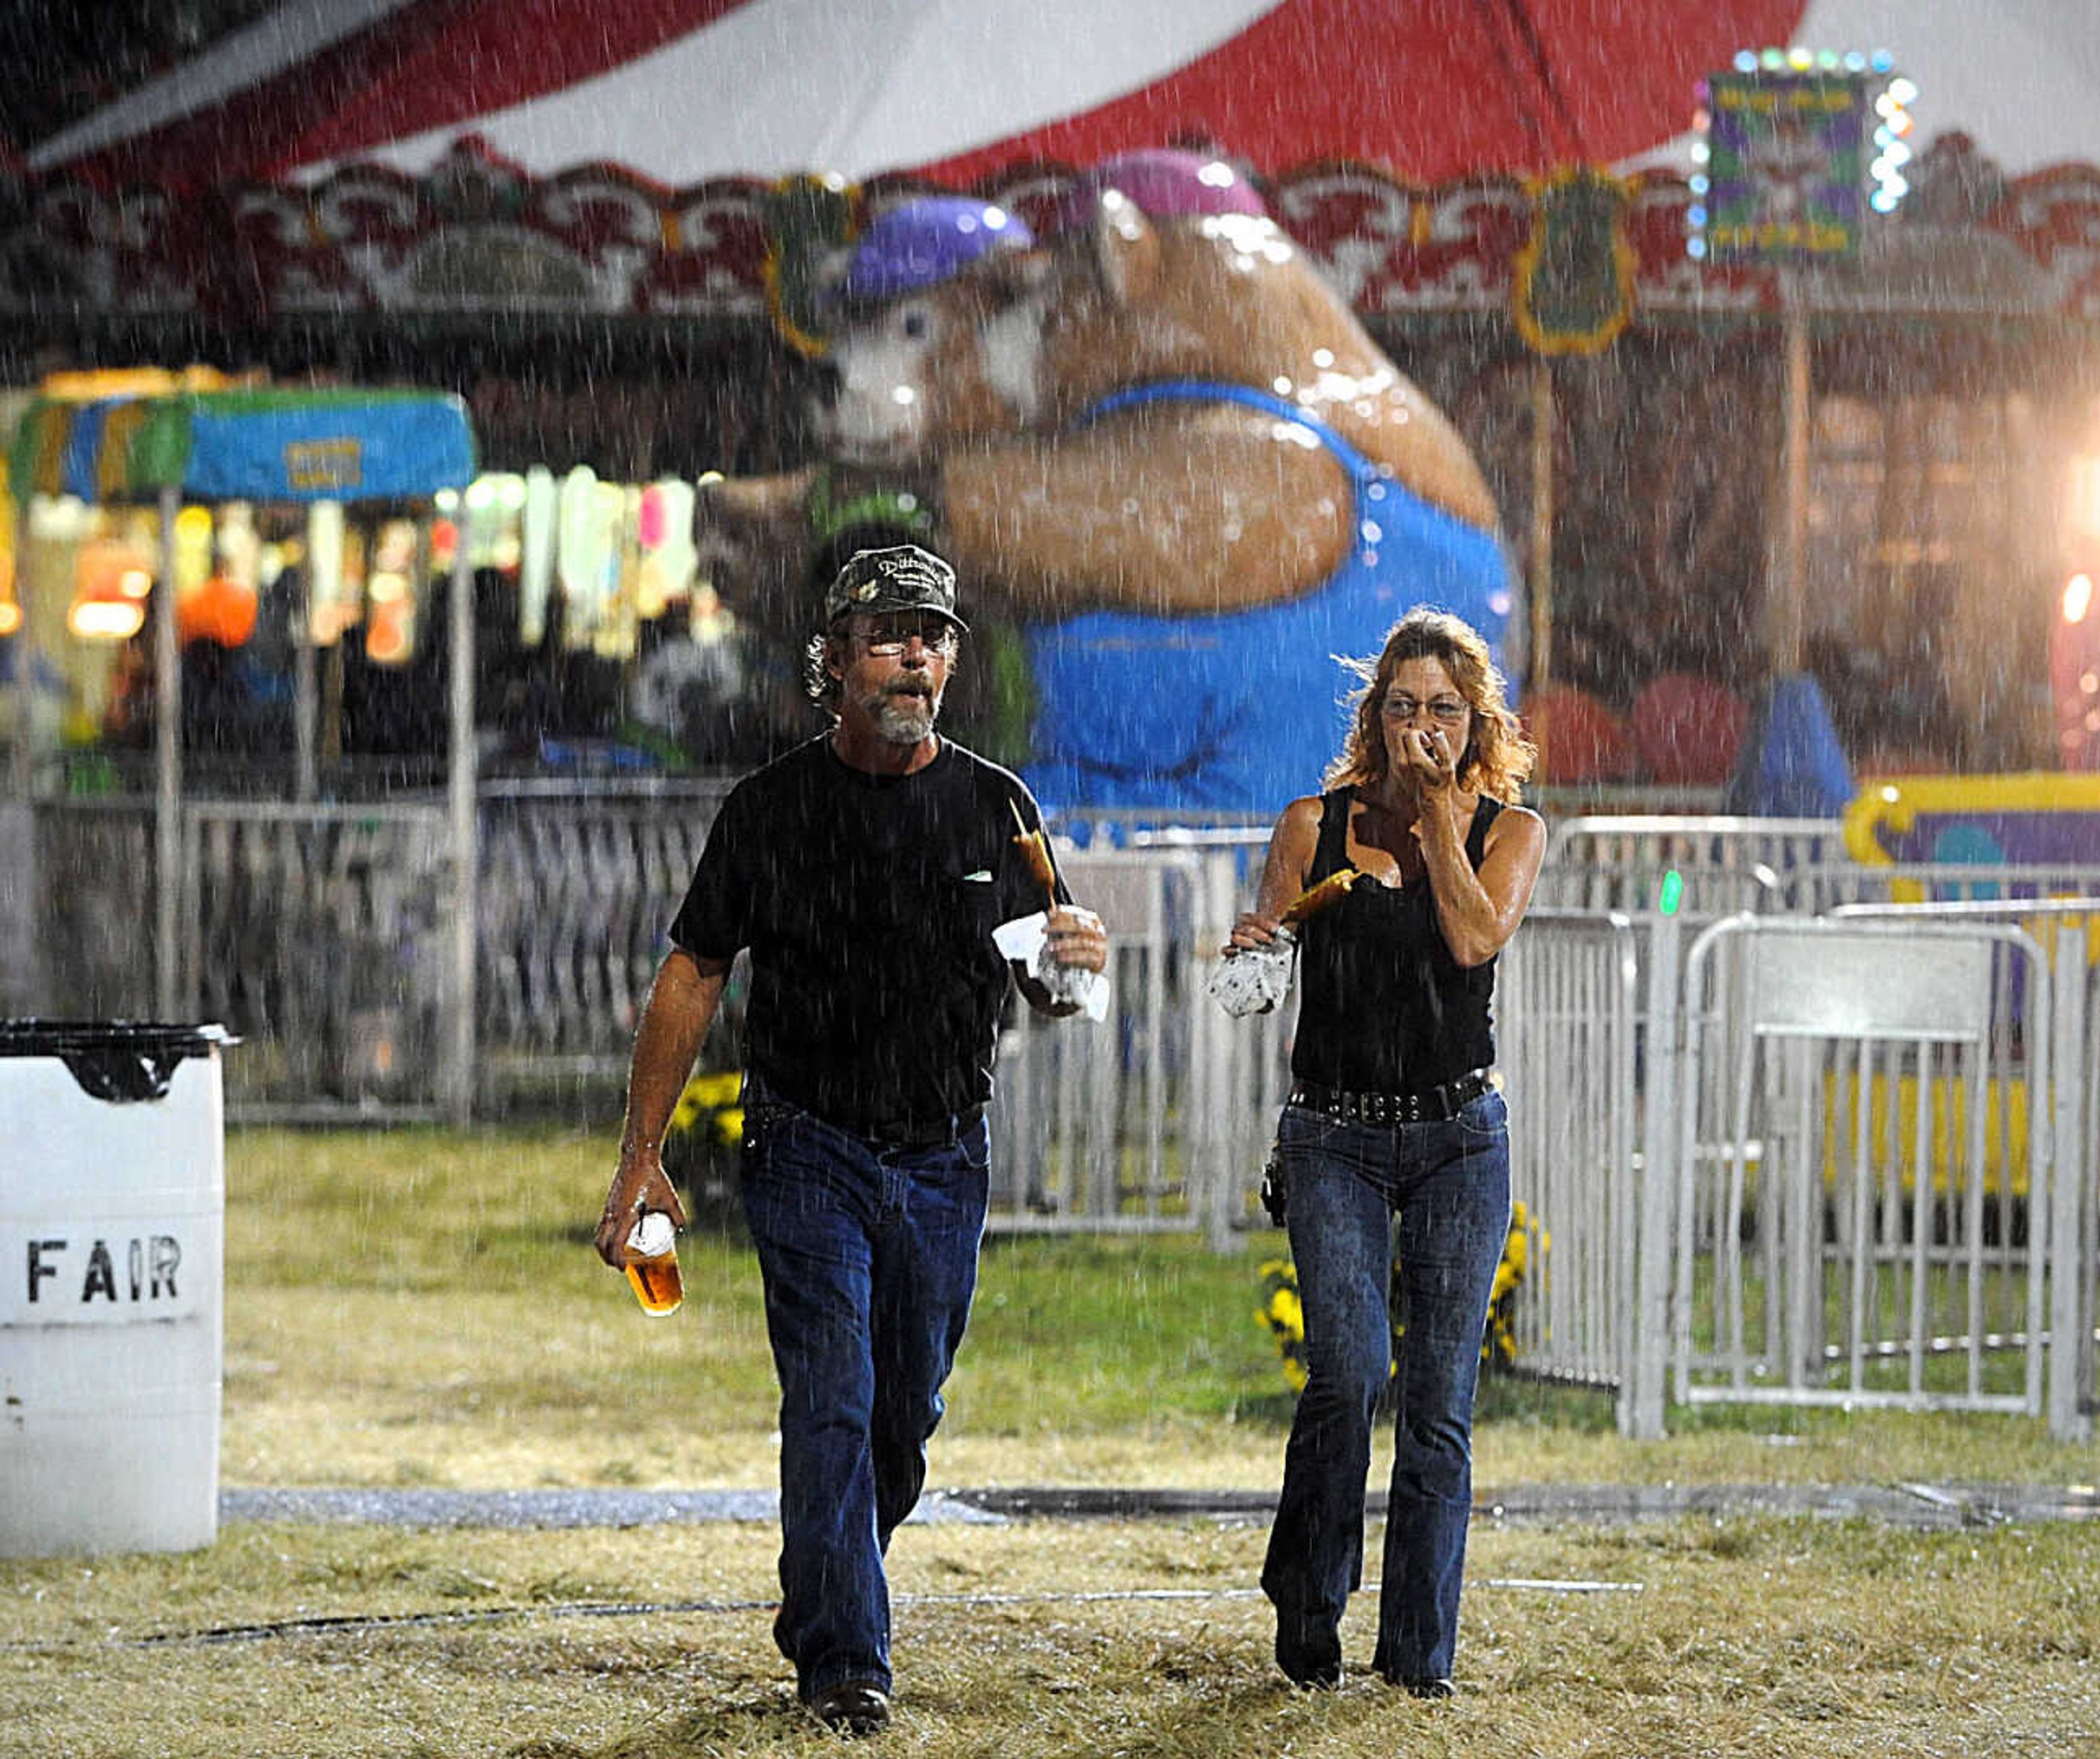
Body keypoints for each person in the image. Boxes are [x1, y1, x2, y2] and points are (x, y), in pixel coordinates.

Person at [593, 542, 1107, 1737]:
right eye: (887, 636)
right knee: (830, 1397)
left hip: (943, 1153)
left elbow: (1047, 983)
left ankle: (828, 1580)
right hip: (807, 1145)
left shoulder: (998, 805)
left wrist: (1075, 967)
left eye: (932, 638)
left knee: (903, 1414)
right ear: (832, 663)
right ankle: (844, 1662)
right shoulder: (768, 811)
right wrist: (640, 1156)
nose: (915, 657)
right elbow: (693, 973)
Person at [1224, 606, 1547, 1699]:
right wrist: (1251, 953)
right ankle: (1307, 1609)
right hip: (1334, 1135)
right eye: (1403, 707)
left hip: (1461, 1133)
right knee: (1349, 1370)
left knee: (1440, 1401)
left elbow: (1469, 939)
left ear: (1476, 722)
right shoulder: (1311, 825)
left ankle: (1417, 1664)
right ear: (1375, 717)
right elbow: (1255, 982)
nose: (1423, 728)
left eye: (1444, 710)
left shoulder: (1511, 832)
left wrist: (1441, 824)